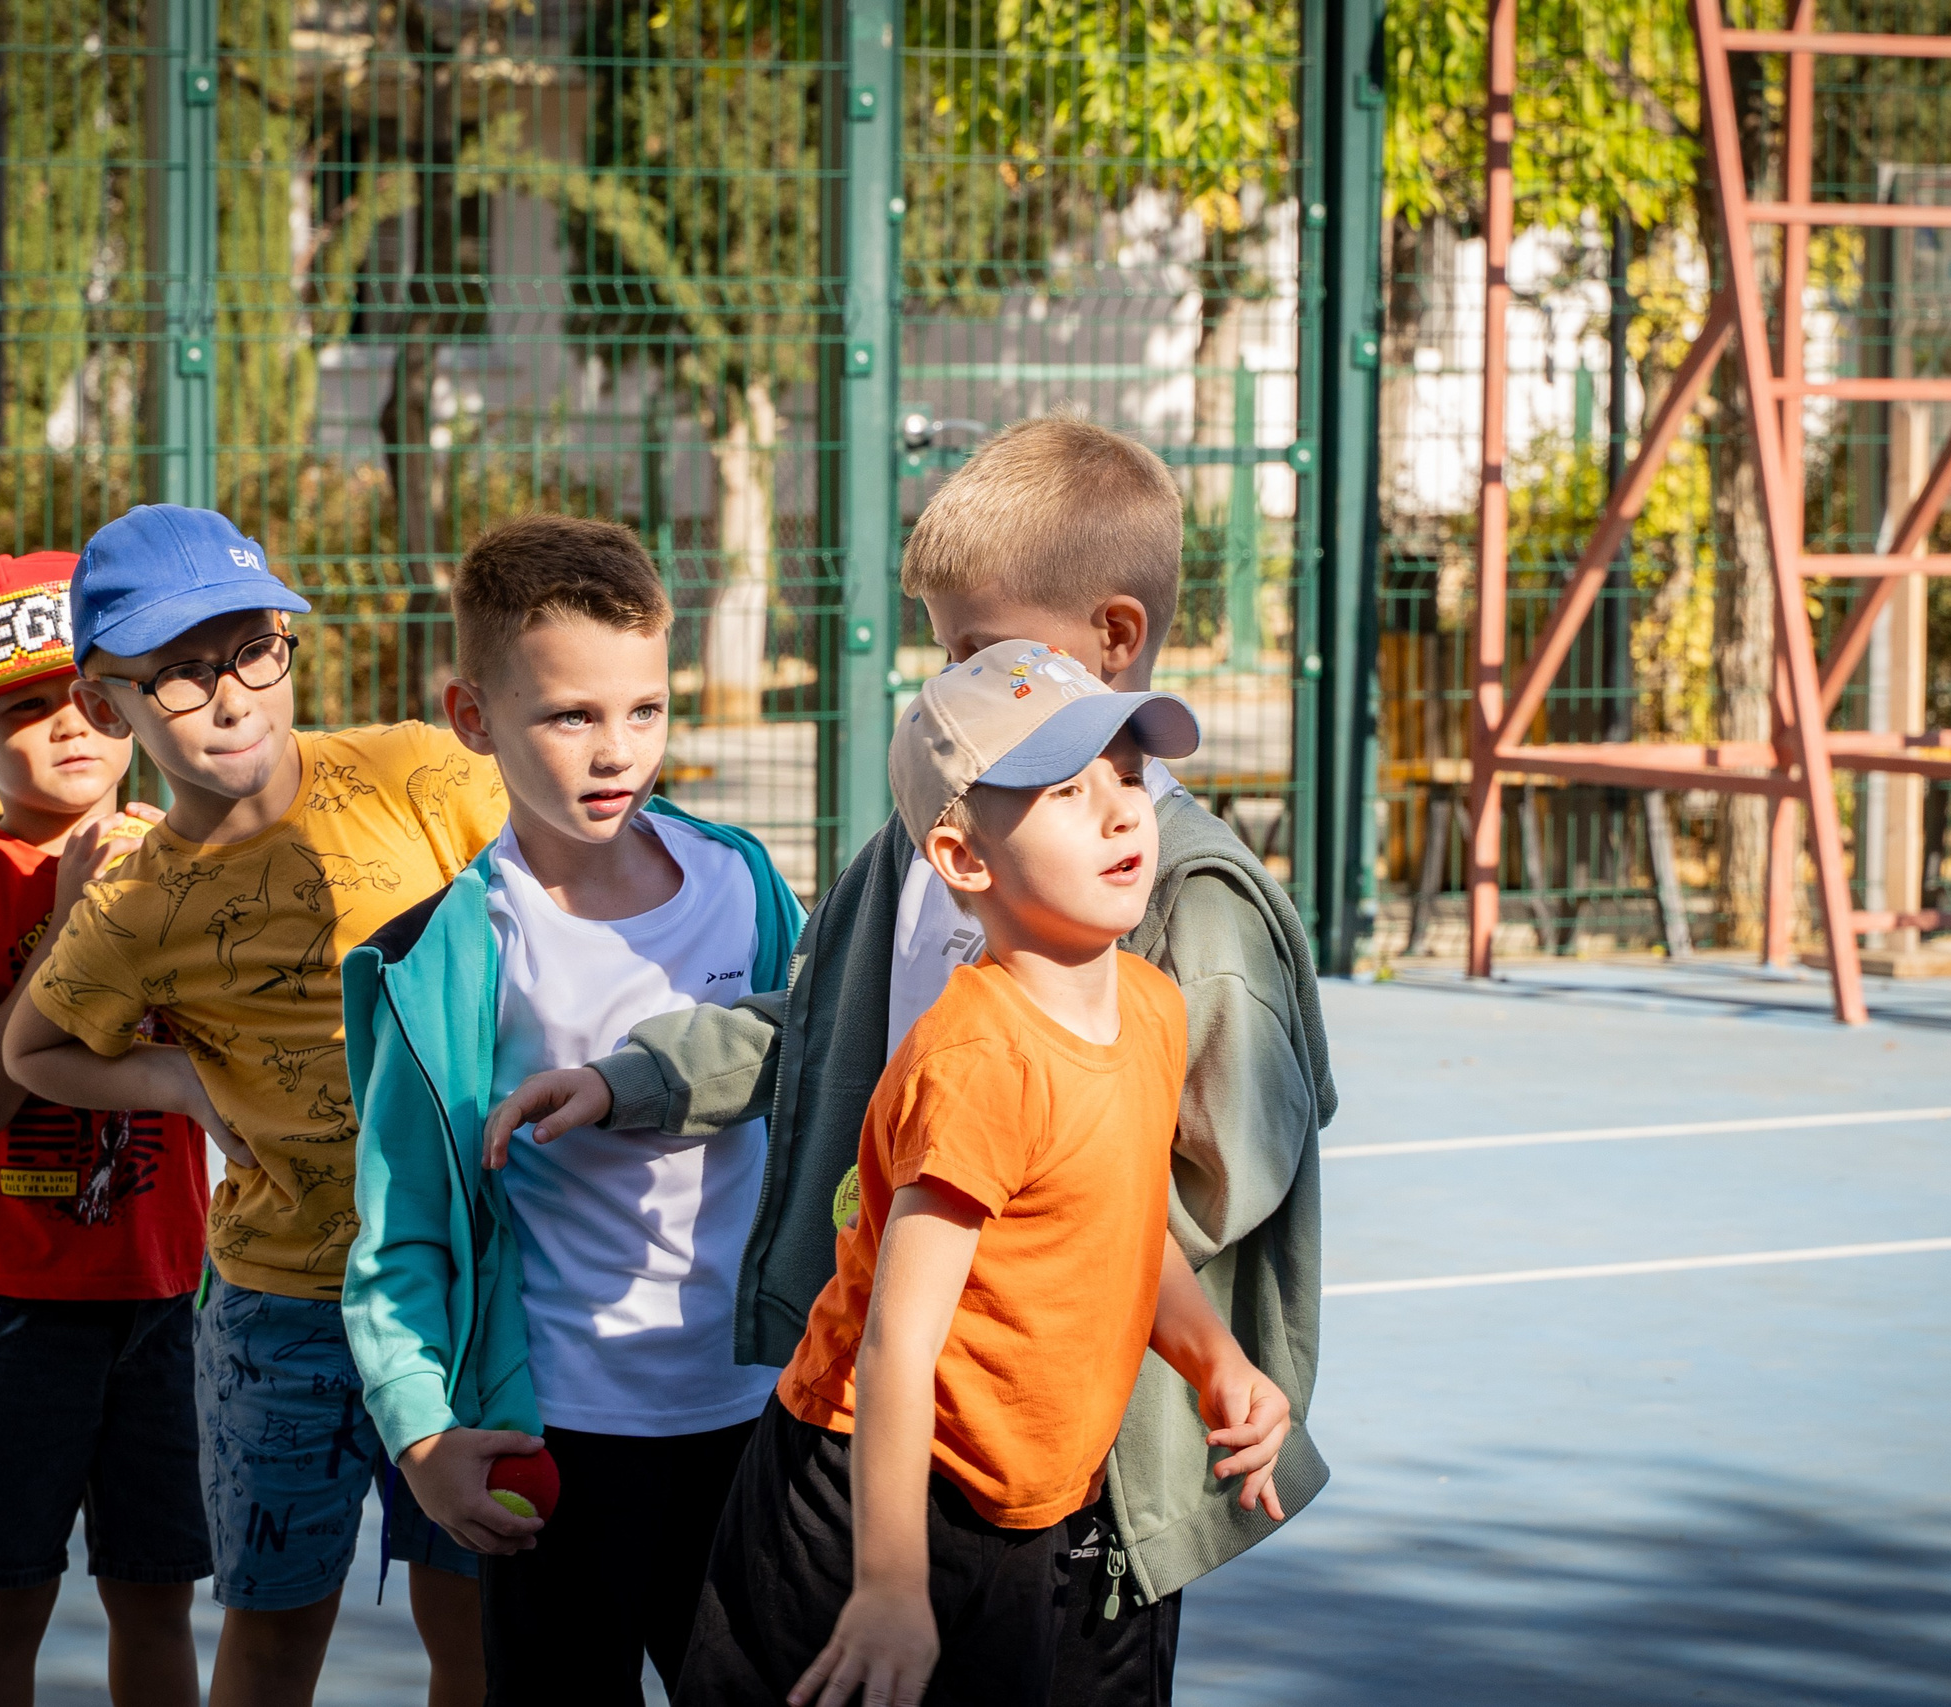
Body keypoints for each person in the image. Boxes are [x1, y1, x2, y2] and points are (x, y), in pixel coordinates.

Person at [499, 416, 1336, 1703]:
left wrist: (1207, 1360)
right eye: (945, 652)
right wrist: (640, 1079)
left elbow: (1187, 1188)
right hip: (875, 1443)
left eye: (976, 649)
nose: (952, 679)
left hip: (1082, 1471)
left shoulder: (1185, 923)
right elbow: (816, 1029)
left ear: (1114, 638)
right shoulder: (925, 849)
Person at [656, 642, 1292, 1705]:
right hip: (864, 1498)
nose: (1121, 811)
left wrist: (1215, 1359)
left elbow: (1126, 1228)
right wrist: (888, 1585)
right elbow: (899, 1343)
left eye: (1127, 775)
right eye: (1066, 792)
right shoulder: (980, 1062)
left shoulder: (1150, 1007)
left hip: (1023, 1502)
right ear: (962, 857)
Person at [0, 505, 509, 1707]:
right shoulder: (136, 907)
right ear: (107, 705)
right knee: (274, 1641)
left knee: (477, 1629)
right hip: (286, 1311)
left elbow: (555, 888)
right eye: (179, 674)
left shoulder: (417, 773)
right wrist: (175, 1081)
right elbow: (32, 1050)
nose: (231, 698)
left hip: (466, 1288)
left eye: (253, 651)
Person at [336, 514, 807, 1705]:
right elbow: (401, 1231)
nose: (616, 751)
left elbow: (815, 1079)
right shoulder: (448, 954)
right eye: (570, 716)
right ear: (472, 717)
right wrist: (422, 1435)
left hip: (757, 1415)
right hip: (560, 1435)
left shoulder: (744, 883)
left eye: (645, 710)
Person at [0, 551, 210, 1707]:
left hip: (168, 1297)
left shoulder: (186, 859)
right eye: (24, 710)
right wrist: (76, 926)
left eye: (91, 695)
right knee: (5, 1594)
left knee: (158, 1593)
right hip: (16, 1308)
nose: (70, 725)